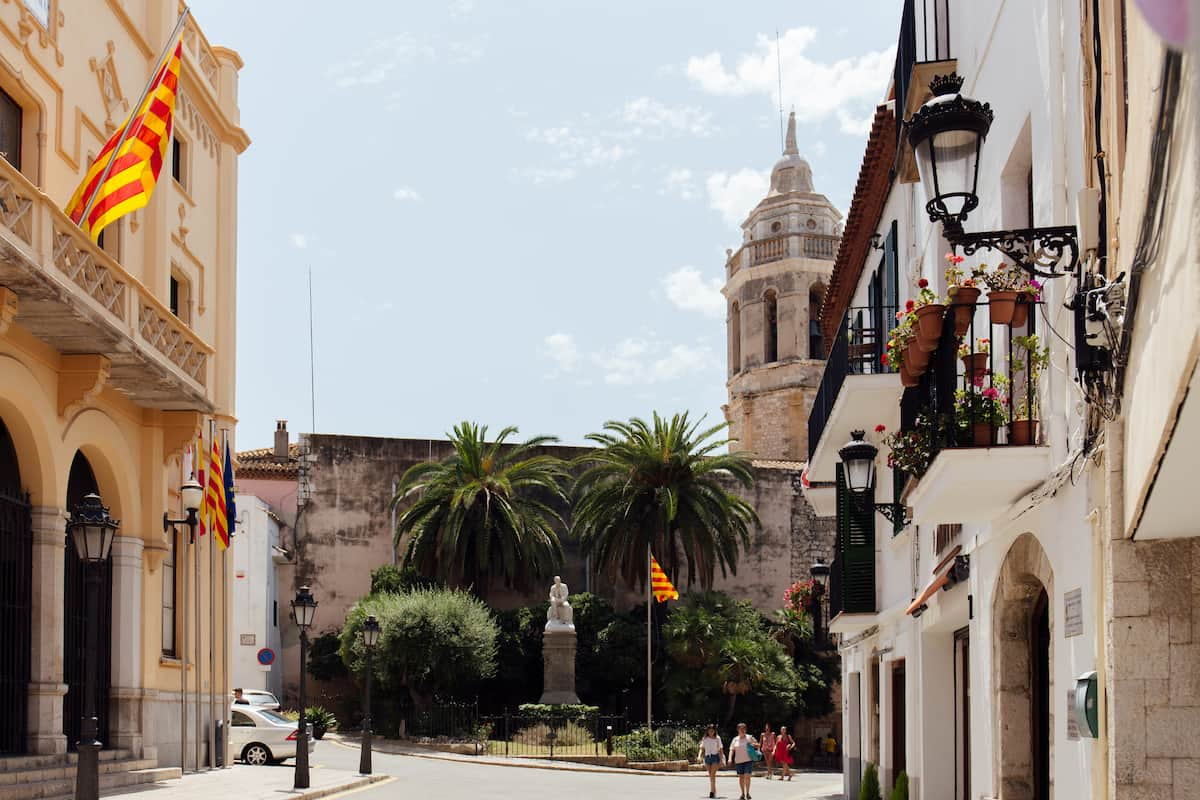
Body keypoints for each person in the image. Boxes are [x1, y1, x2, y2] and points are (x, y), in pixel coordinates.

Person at [727, 722, 760, 800]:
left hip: (748, 760)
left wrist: (754, 745)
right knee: (741, 777)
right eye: (741, 729)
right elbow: (731, 750)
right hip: (738, 761)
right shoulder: (735, 739)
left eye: (744, 729)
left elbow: (758, 745)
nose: (742, 730)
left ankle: (748, 793)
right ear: (738, 730)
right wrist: (729, 758)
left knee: (747, 776)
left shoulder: (749, 737)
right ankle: (742, 794)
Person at [696, 724, 725, 799]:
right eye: (709, 730)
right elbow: (701, 748)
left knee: (712, 775)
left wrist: (721, 760)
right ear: (707, 731)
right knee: (711, 776)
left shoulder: (717, 738)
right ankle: (714, 791)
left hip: (715, 757)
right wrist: (699, 756)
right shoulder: (705, 738)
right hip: (707, 757)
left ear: (714, 731)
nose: (711, 732)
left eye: (712, 730)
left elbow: (720, 749)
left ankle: (712, 792)